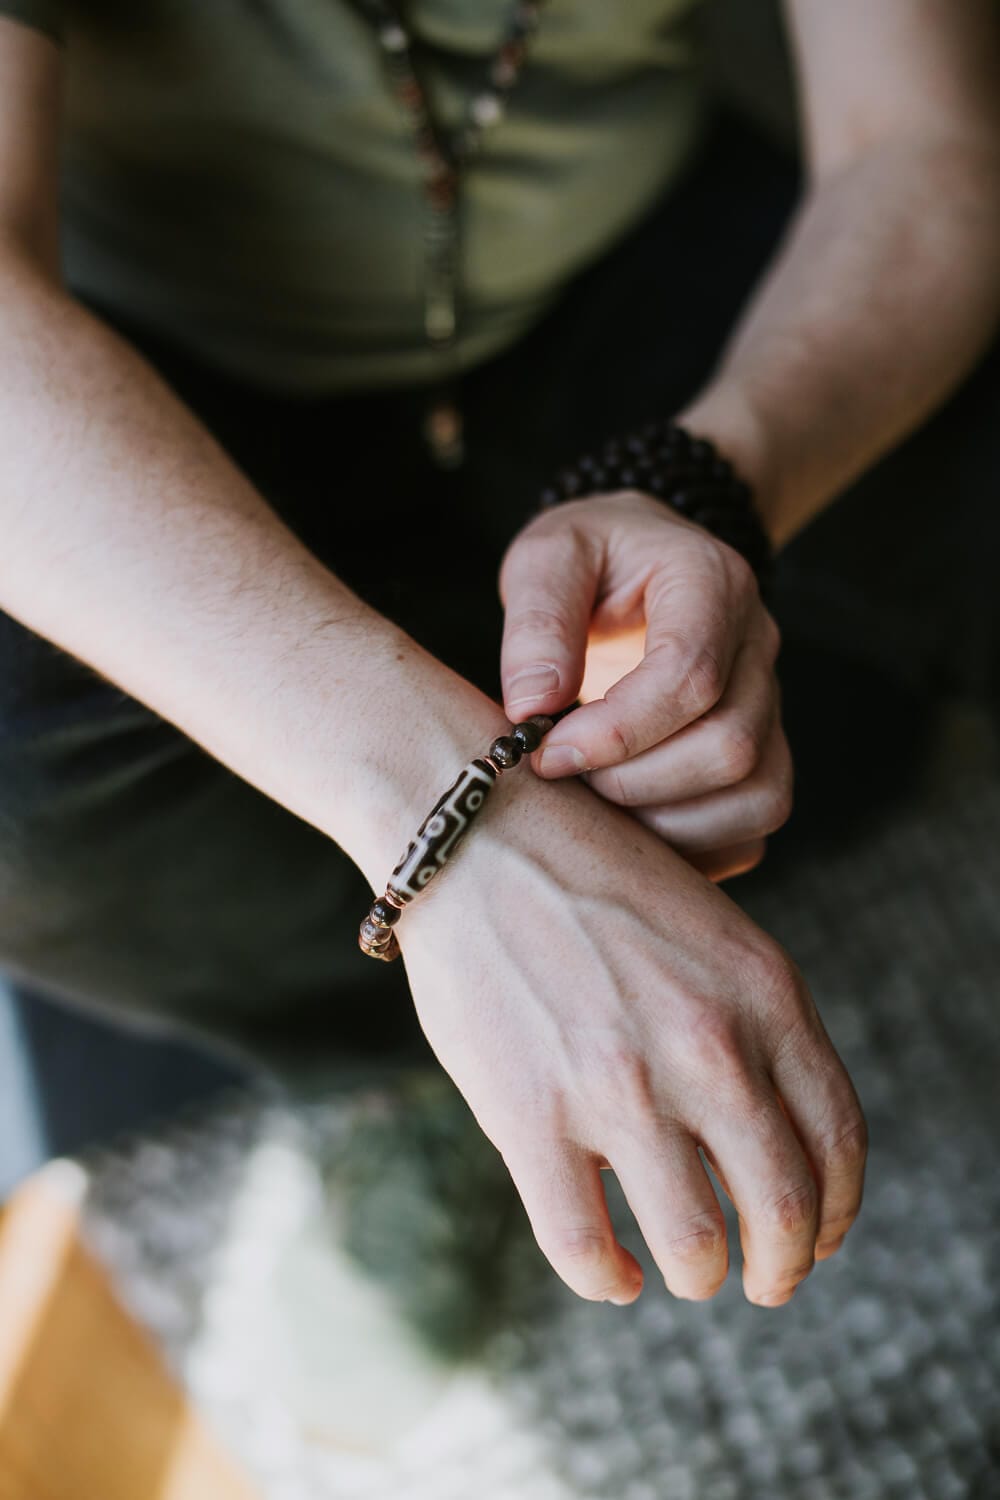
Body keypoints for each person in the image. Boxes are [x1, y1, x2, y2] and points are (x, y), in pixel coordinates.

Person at [0, 0, 997, 1313]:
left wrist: (710, 481)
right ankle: (409, 1047)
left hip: (639, 274)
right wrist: (447, 814)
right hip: (162, 375)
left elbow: (922, 143)